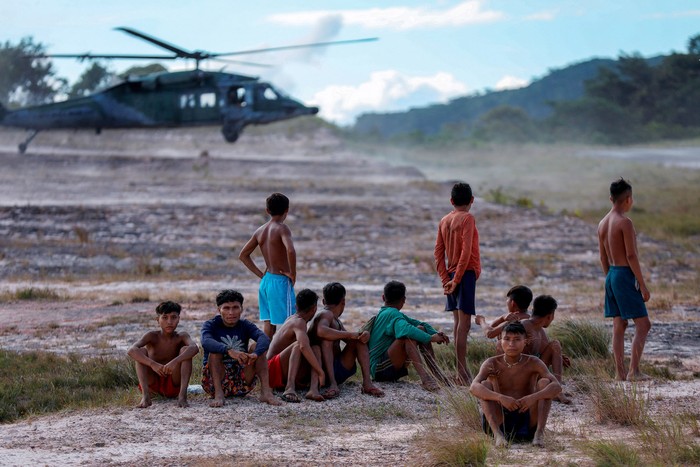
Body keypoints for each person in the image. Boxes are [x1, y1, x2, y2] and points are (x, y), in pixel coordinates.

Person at [470, 321, 562, 447]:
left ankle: (538, 434)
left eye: (517, 339)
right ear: (500, 340)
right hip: (501, 419)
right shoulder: (492, 363)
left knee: (545, 383)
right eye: (507, 339)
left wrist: (533, 397)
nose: (511, 344)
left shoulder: (533, 362)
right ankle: (498, 436)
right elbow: (473, 387)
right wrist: (500, 398)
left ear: (526, 341)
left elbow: (557, 387)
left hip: (527, 417)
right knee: (485, 385)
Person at [597, 177, 652, 381]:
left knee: (619, 325)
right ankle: (634, 371)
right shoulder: (625, 222)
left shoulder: (602, 223)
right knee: (644, 324)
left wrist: (610, 279)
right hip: (623, 273)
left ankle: (620, 373)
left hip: (611, 273)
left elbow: (602, 257)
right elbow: (631, 256)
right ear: (628, 199)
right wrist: (643, 285)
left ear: (611, 198)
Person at [434, 182, 481, 385]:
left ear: (452, 201)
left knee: (457, 324)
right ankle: (462, 373)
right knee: (464, 325)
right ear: (472, 200)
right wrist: (458, 279)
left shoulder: (444, 220)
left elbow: (438, 253)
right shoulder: (468, 218)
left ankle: (458, 371)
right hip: (465, 274)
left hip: (453, 276)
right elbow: (466, 251)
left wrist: (447, 279)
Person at [200, 289, 281, 407]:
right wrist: (228, 350)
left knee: (256, 347)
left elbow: (264, 338)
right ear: (219, 310)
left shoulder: (245, 325)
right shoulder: (211, 324)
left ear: (241, 309)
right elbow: (205, 341)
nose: (231, 312)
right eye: (226, 308)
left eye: (235, 307)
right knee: (215, 352)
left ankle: (266, 393)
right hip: (215, 380)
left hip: (242, 381)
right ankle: (219, 394)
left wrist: (255, 354)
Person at [367, 281, 450, 392]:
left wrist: (434, 333)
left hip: (387, 366)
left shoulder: (391, 313)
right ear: (404, 300)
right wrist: (431, 338)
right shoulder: (392, 314)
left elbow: (419, 324)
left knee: (420, 329)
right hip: (379, 369)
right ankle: (425, 379)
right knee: (408, 337)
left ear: (383, 297)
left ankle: (437, 374)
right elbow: (406, 330)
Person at [308, 282, 385, 399]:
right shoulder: (326, 314)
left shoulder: (336, 320)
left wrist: (362, 335)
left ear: (323, 301)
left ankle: (367, 383)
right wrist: (351, 334)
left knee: (358, 340)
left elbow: (349, 340)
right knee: (327, 340)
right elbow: (321, 331)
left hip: (336, 367)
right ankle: (333, 384)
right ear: (343, 302)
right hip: (321, 371)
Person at [239, 192, 297, 339]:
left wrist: (261, 275)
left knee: (269, 325)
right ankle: (284, 358)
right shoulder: (282, 228)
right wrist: (293, 273)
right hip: (280, 281)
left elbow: (243, 255)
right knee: (289, 323)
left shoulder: (260, 230)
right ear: (286, 210)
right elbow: (290, 249)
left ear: (267, 210)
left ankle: (266, 358)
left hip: (266, 282)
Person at [127, 301, 199, 408]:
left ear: (178, 319)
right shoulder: (152, 336)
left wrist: (175, 361)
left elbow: (195, 348)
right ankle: (146, 397)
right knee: (140, 351)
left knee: (186, 350)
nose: (169, 322)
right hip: (152, 385)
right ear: (158, 320)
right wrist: (152, 364)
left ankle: (182, 396)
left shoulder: (181, 336)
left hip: (173, 384)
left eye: (173, 317)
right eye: (165, 317)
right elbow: (131, 350)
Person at [266, 289, 326, 403]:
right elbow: (303, 346)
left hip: (281, 366)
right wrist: (320, 371)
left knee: (316, 348)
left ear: (296, 306)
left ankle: (313, 390)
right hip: (270, 370)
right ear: (314, 309)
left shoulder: (293, 318)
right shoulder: (299, 322)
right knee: (299, 345)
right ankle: (289, 388)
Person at [520, 295, 571, 404]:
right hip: (522, 374)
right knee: (555, 344)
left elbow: (547, 349)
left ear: (533, 310)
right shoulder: (525, 325)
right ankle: (554, 390)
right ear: (550, 315)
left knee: (555, 345)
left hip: (535, 371)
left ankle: (556, 388)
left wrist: (559, 358)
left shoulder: (540, 330)